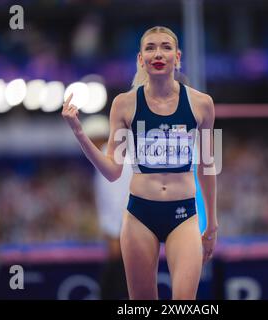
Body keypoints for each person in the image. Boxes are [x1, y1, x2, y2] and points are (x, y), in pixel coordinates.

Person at [62, 26, 218, 300]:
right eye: (150, 48)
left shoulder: (202, 104)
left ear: (177, 56)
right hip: (139, 216)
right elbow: (112, 171)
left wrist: (212, 224)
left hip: (183, 215)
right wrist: (78, 132)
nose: (158, 53)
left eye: (166, 47)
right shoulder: (124, 104)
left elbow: (207, 166)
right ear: (140, 59)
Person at [83, 115, 132, 300]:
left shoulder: (107, 158)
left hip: (121, 235)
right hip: (126, 231)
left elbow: (115, 200)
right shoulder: (118, 155)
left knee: (118, 288)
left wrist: (114, 235)